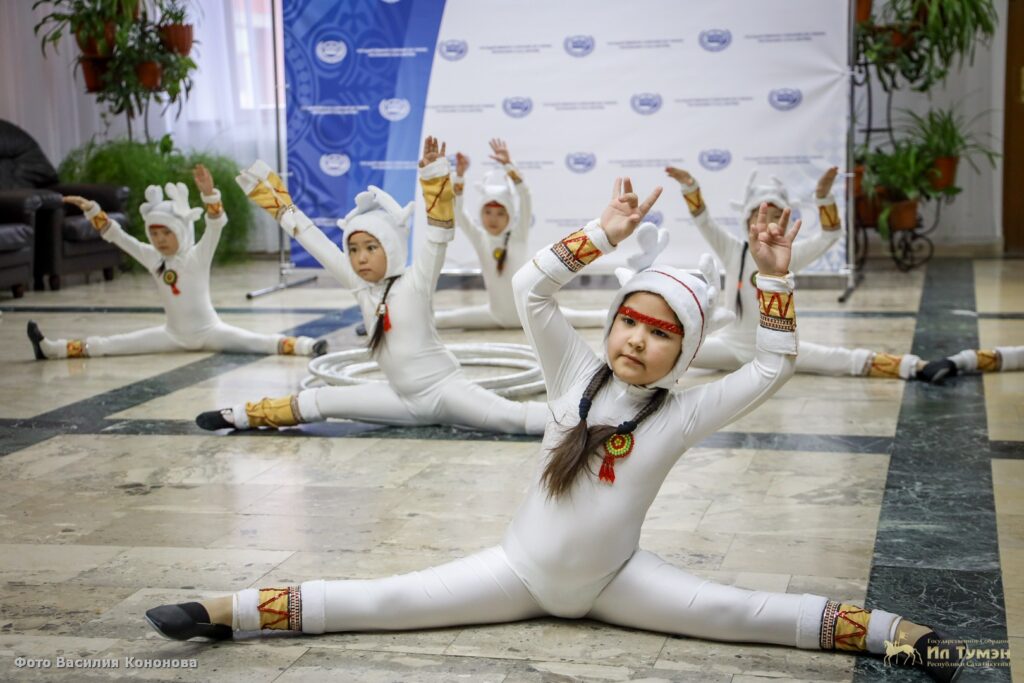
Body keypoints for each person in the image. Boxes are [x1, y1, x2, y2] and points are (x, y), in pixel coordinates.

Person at [150, 175, 961, 682]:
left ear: (684, 352)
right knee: (388, 597)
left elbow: (772, 366)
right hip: (516, 572)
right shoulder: (574, 372)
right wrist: (602, 235)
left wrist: (776, 281)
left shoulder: (682, 412)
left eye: (660, 333)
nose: (636, 340)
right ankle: (231, 609)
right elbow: (533, 289)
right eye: (629, 321)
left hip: (621, 583)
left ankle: (896, 633)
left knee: (749, 614)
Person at [195, 137, 547, 436]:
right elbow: (316, 243)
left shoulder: (416, 280)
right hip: (400, 400)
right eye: (353, 249)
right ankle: (241, 415)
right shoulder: (360, 287)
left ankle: (576, 417)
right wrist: (279, 206)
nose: (360, 258)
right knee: (323, 399)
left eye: (370, 248)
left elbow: (438, 236)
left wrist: (434, 178)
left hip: (445, 390)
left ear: (390, 248)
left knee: (512, 418)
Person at [26, 164, 325, 360]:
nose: (159, 240)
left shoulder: (197, 256)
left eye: (166, 233)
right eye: (154, 234)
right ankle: (53, 349)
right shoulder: (152, 257)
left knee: (257, 342)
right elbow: (117, 236)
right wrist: (92, 210)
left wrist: (209, 195)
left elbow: (215, 225)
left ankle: (307, 345)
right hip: (171, 335)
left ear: (181, 231)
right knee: (113, 344)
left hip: (211, 332)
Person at [665, 166, 924, 380]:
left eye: (777, 215)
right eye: (762, 215)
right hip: (731, 347)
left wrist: (823, 198)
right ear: (747, 221)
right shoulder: (733, 250)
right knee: (672, 350)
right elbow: (704, 222)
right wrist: (690, 187)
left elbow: (829, 235)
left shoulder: (789, 254)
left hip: (779, 350)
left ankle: (914, 366)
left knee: (836, 360)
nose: (769, 222)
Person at [434, 138, 605, 330]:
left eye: (500, 213)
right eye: (488, 212)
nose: (493, 219)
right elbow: (457, 211)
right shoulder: (480, 238)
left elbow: (525, 198)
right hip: (496, 316)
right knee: (441, 320)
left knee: (587, 319)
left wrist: (509, 166)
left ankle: (612, 316)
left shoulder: (518, 234)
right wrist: (459, 177)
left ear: (509, 215)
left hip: (532, 315)